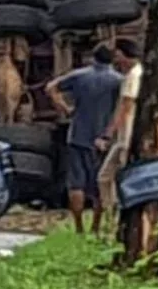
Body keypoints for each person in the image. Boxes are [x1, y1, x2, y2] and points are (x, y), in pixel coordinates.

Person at [45, 45, 124, 234]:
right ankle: (96, 226)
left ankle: (79, 226)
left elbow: (50, 88)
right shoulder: (118, 81)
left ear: (93, 57)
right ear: (112, 59)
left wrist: (64, 108)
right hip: (104, 139)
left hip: (78, 135)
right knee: (99, 183)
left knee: (76, 183)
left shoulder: (79, 75)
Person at [93, 39, 142, 234]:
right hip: (123, 136)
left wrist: (108, 133)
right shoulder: (133, 74)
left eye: (118, 55)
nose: (115, 59)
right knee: (104, 177)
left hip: (126, 136)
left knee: (117, 178)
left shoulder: (133, 76)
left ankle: (118, 223)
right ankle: (111, 220)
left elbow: (125, 107)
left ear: (124, 54)